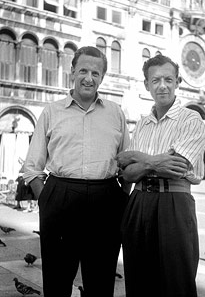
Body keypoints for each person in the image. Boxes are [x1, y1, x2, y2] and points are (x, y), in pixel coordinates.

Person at [23, 46, 130, 297]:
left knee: (101, 283)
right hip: (60, 197)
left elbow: (127, 161)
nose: (88, 78)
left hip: (106, 200)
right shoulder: (51, 111)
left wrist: (122, 196)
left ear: (102, 78)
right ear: (72, 71)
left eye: (96, 73)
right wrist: (47, 199)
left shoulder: (116, 113)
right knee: (57, 281)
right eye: (83, 70)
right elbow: (31, 166)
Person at [116, 54, 205, 297]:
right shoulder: (143, 124)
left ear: (178, 82)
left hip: (173, 204)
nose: (162, 85)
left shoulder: (191, 119)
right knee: (138, 281)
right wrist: (155, 161)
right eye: (155, 80)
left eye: (168, 79)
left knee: (176, 283)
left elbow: (176, 166)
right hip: (139, 203)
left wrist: (138, 157)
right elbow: (127, 174)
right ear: (147, 85)